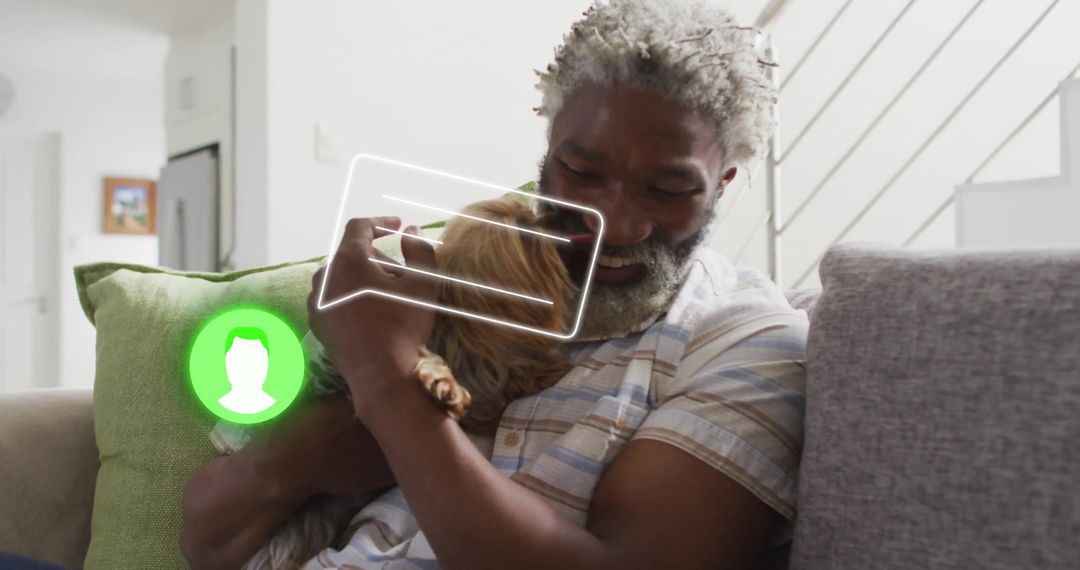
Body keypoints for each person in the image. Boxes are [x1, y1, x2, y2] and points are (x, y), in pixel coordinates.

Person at [181, 1, 806, 568]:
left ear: (722, 181)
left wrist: (383, 374)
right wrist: (329, 421)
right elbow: (208, 541)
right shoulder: (455, 278)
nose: (612, 223)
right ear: (549, 145)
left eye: (666, 189)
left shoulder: (746, 340)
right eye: (581, 170)